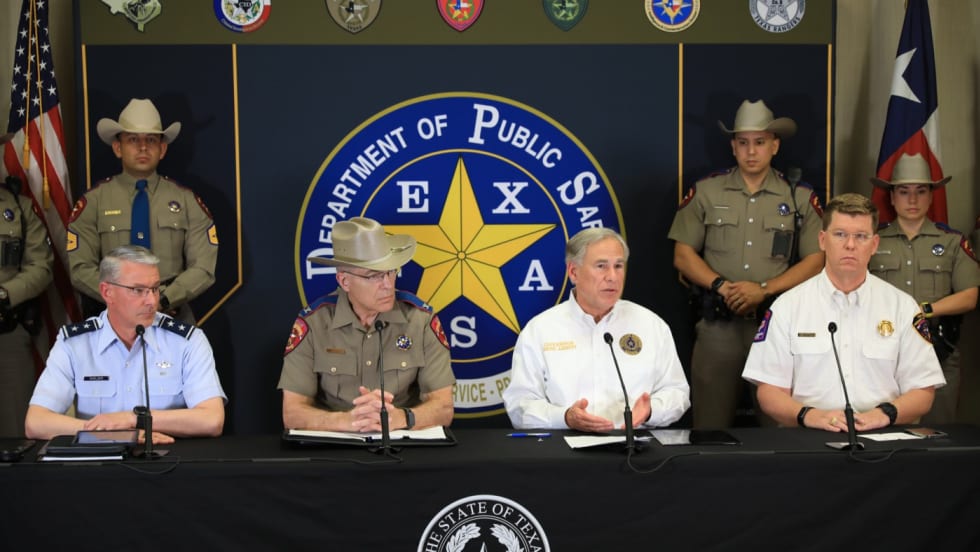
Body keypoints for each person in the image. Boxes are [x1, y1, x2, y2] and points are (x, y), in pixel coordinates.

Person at [668, 99, 824, 429]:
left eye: (760, 142)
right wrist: (722, 287)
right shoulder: (707, 191)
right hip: (718, 325)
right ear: (733, 146)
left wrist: (764, 289)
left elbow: (816, 260)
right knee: (709, 428)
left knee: (782, 428)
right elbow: (682, 255)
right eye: (743, 142)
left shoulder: (799, 197)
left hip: (776, 327)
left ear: (775, 145)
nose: (751, 151)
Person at [742, 193, 945, 432]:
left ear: (875, 244)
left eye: (861, 236)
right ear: (822, 240)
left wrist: (883, 415)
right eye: (840, 234)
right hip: (808, 435)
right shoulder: (787, 306)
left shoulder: (902, 307)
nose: (850, 245)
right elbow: (769, 391)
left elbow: (923, 390)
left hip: (883, 435)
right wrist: (809, 415)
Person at [25, 245, 226, 442]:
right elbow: (36, 422)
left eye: (155, 289)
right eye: (138, 290)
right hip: (100, 458)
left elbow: (212, 420)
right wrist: (113, 435)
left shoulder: (187, 341)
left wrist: (135, 419)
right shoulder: (75, 343)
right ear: (107, 292)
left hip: (167, 456)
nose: (152, 301)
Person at [278, 217, 454, 432]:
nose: (387, 285)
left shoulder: (420, 320)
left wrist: (402, 418)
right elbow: (292, 413)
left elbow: (444, 408)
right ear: (344, 281)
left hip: (402, 442)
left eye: (391, 271)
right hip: (335, 445)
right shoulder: (314, 323)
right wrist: (349, 421)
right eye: (374, 276)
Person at [503, 228, 690, 431]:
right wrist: (565, 417)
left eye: (618, 266)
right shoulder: (540, 330)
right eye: (601, 266)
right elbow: (520, 405)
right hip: (564, 445)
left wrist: (651, 410)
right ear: (573, 272)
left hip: (634, 444)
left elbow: (677, 392)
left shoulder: (651, 325)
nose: (612, 277)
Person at [67, 98, 218, 323]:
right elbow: (80, 268)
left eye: (151, 140)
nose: (143, 147)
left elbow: (204, 267)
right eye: (133, 139)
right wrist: (123, 298)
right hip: (113, 321)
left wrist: (162, 299)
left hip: (173, 318)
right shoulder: (93, 202)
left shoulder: (187, 201)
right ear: (118, 148)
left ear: (162, 149)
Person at [868, 153, 980, 424]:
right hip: (880, 350)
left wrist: (924, 310)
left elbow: (970, 296)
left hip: (936, 350)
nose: (912, 199)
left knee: (937, 433)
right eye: (903, 191)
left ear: (931, 197)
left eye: (920, 191)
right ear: (891, 197)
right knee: (881, 429)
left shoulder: (952, 242)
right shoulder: (871, 241)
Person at [0, 159, 53, 437]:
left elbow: (41, 267)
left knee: (14, 432)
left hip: (6, 331)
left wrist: (4, 294)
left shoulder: (19, 207)